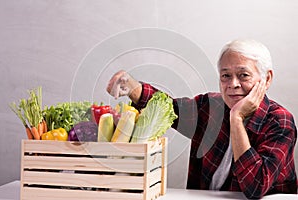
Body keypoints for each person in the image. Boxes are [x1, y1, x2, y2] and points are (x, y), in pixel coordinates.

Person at [106, 39, 297, 199]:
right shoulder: (210, 106)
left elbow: (255, 186)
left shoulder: (280, 122)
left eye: (243, 75)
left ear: (267, 79)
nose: (233, 84)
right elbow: (168, 109)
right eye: (225, 76)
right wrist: (132, 87)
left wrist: (236, 118)